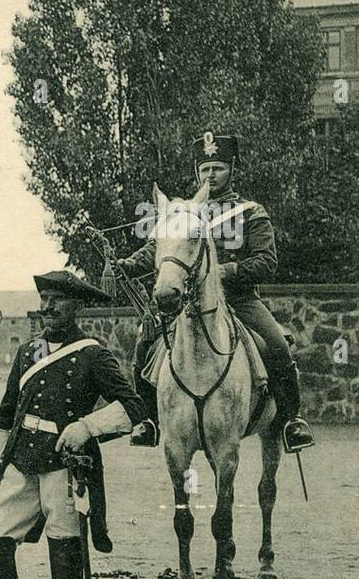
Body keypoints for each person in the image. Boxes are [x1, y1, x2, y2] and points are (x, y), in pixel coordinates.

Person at [0, 271, 144, 579]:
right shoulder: (28, 352)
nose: (48, 307)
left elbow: (134, 407)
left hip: (65, 467)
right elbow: (6, 415)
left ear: (75, 306)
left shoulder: (92, 353)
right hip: (22, 460)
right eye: (44, 299)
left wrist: (86, 427)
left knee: (65, 548)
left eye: (58, 301)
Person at [116, 131, 314, 453]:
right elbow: (160, 248)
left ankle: (293, 420)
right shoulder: (184, 213)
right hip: (189, 301)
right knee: (145, 338)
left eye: (218, 168)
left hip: (240, 300)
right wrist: (125, 264)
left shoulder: (251, 211)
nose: (211, 175)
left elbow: (267, 261)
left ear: (232, 169)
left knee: (277, 345)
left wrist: (228, 271)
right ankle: (148, 420)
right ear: (197, 174)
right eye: (205, 169)